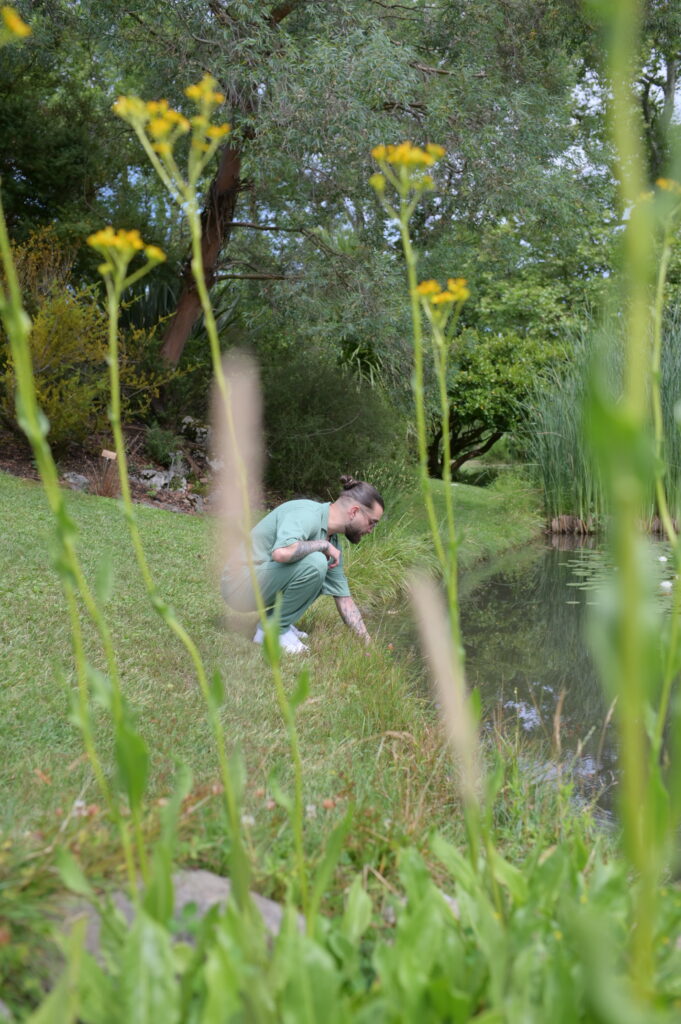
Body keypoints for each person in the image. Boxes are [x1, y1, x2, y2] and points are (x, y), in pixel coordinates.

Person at [221, 475, 384, 653]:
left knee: (323, 567)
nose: (371, 530)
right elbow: (281, 552)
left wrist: (368, 643)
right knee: (316, 562)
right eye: (372, 522)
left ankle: (274, 621)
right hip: (238, 586)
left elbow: (343, 598)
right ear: (353, 512)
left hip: (258, 584)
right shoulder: (307, 514)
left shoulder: (332, 539)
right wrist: (323, 545)